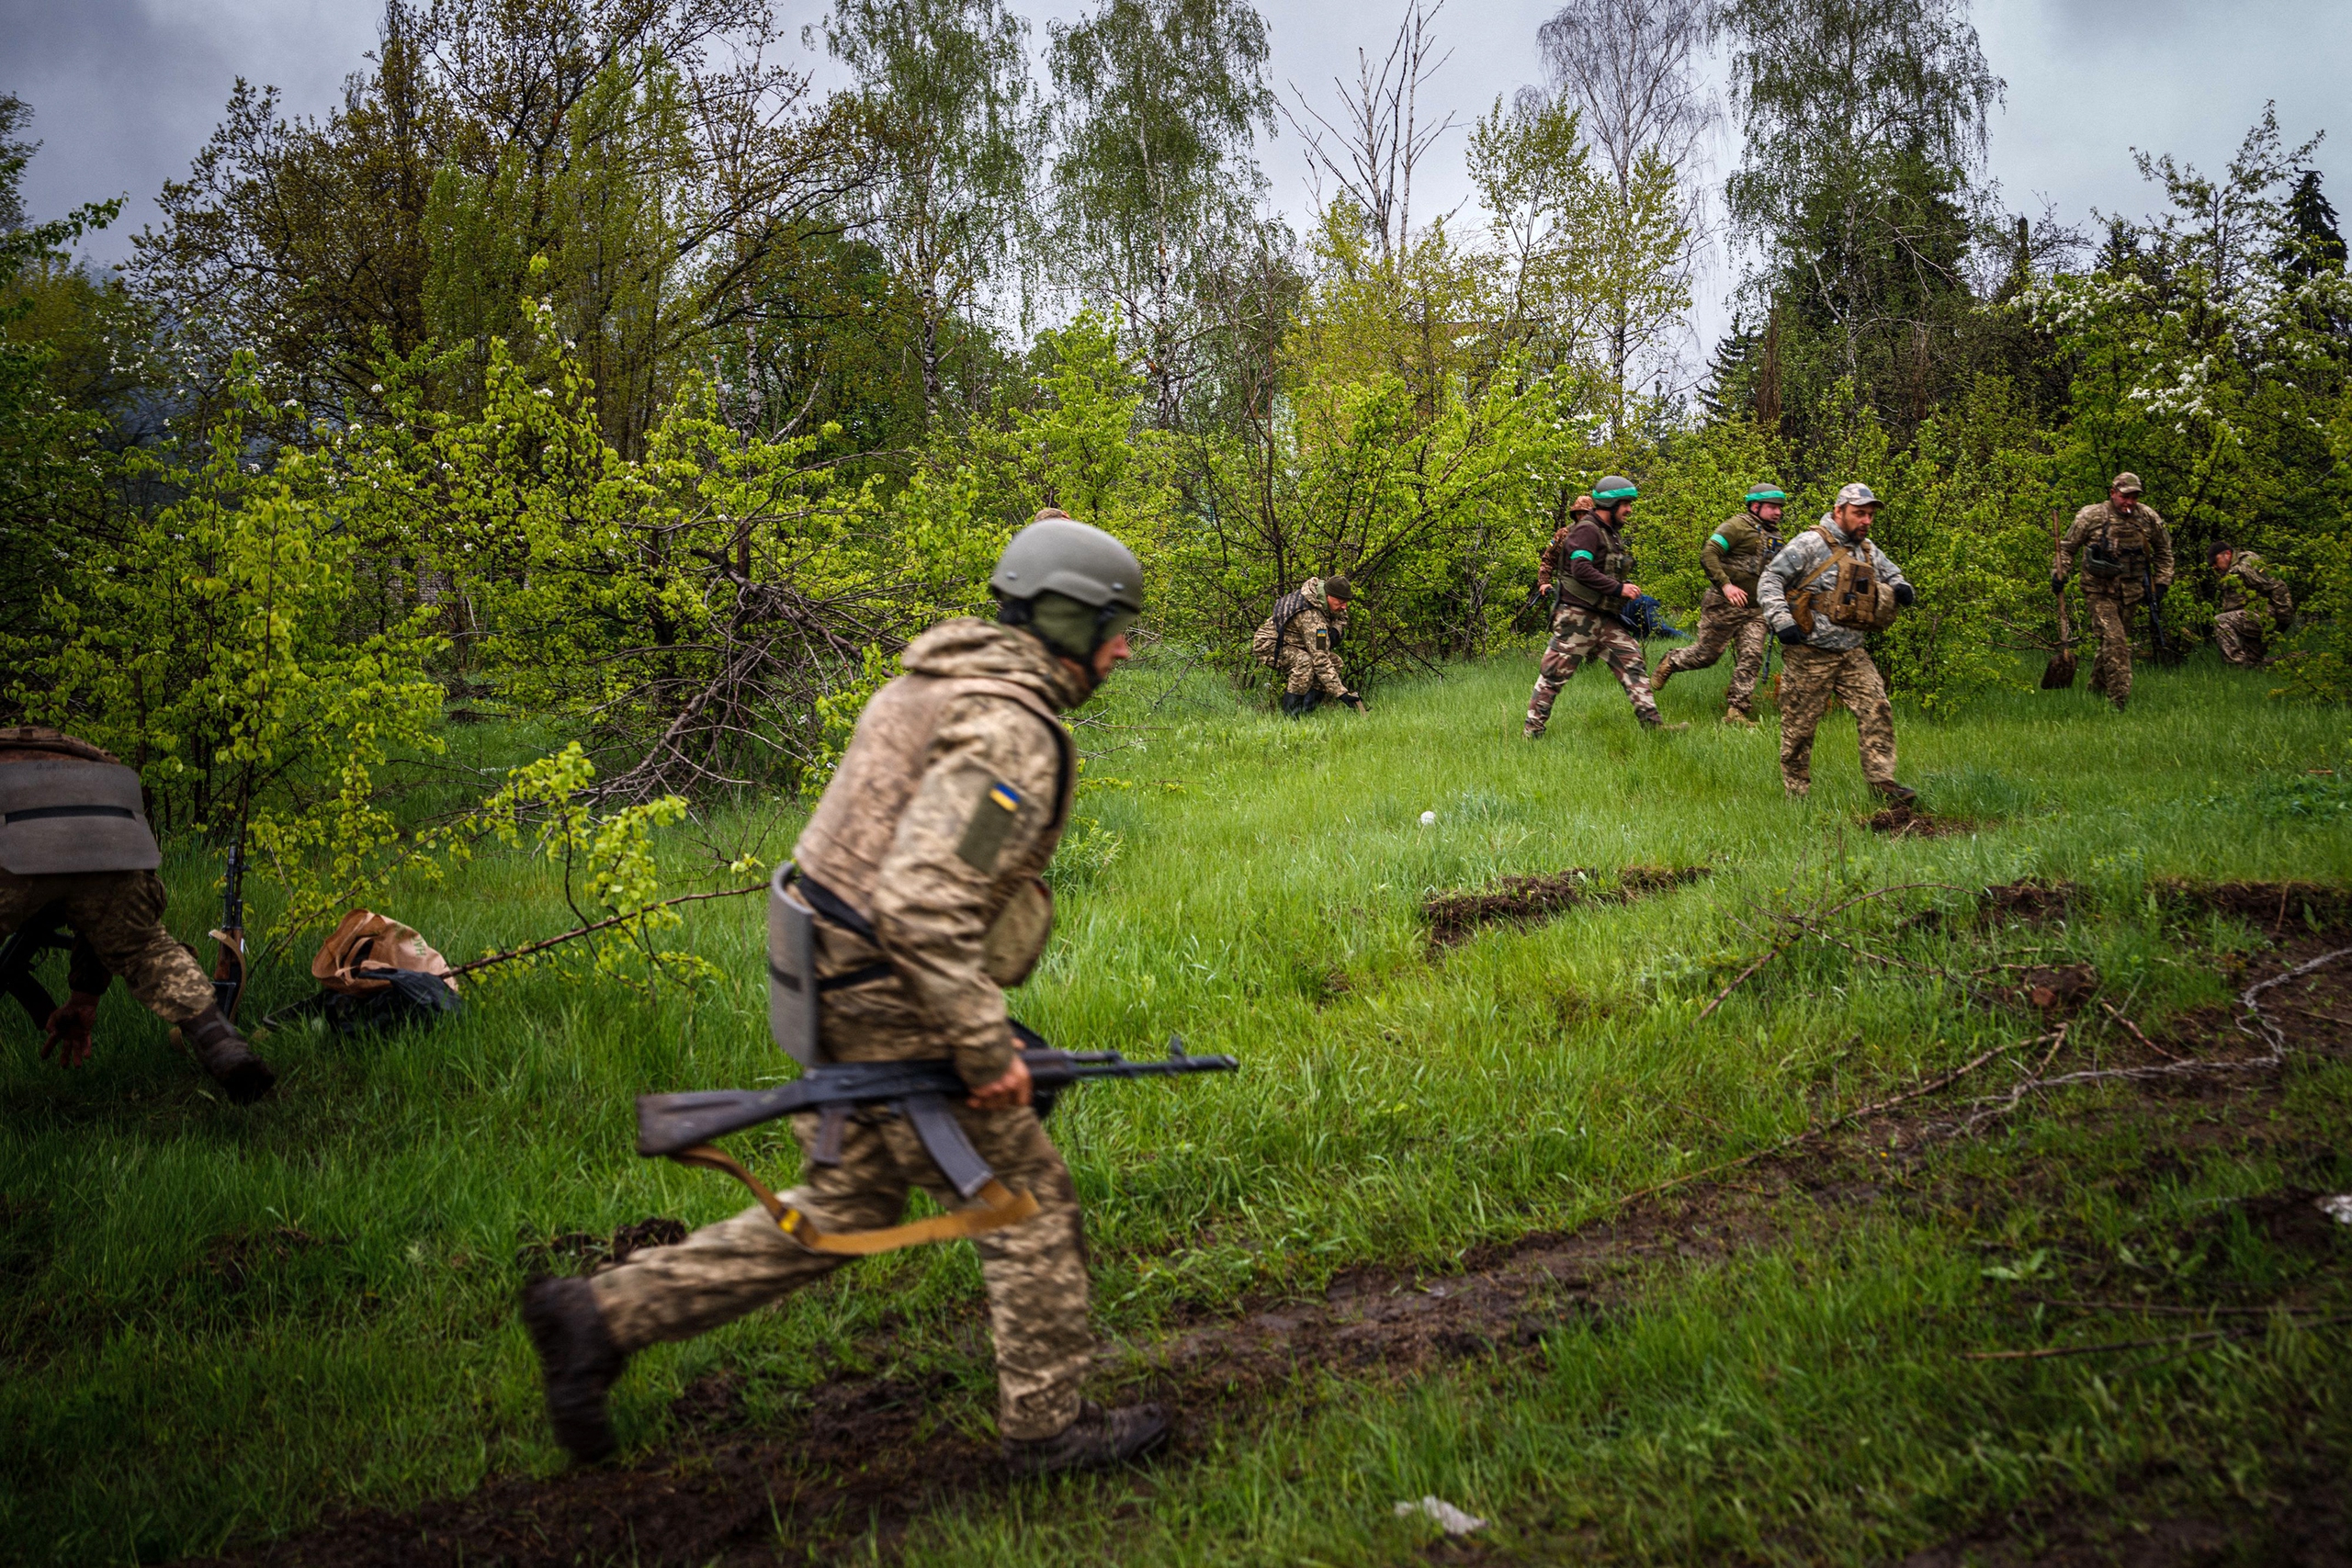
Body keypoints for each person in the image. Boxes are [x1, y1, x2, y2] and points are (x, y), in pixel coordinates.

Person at [522, 511, 1172, 1478]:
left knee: (850, 1204)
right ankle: (1047, 1428)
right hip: (889, 987)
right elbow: (922, 904)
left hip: (835, 980)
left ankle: (599, 1317)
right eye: (1112, 626)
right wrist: (987, 1052)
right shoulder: (1005, 731)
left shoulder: (937, 680)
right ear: (1064, 620)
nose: (1122, 650)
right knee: (1029, 1199)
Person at [0, 726, 274, 1101]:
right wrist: (84, 996)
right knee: (146, 950)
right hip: (106, 814)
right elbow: (100, 914)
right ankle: (222, 1043)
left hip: (11, 816)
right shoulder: (74, 754)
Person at [1758, 484, 1917, 803]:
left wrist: (1901, 587)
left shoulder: (1867, 549)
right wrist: (1782, 621)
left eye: (1870, 515)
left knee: (1877, 709)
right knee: (1799, 728)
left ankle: (1882, 782)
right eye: (1859, 513)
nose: (1866, 520)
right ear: (1838, 511)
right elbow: (1770, 579)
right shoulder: (1810, 543)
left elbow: (1893, 574)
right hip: (1809, 654)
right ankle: (1796, 793)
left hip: (1851, 652)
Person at [1523, 478, 1680, 736]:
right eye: (1626, 503)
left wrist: (1621, 585)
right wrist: (1619, 589)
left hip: (1604, 618)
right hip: (1576, 618)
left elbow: (1601, 569)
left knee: (1632, 663)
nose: (1629, 509)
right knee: (1553, 677)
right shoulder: (1587, 530)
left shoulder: (1609, 532)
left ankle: (1654, 728)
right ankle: (1532, 733)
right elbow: (1580, 568)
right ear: (1610, 503)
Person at [1652, 483, 1786, 726]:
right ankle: (1671, 661)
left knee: (1751, 657)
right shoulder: (1736, 526)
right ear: (1755, 506)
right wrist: (1726, 585)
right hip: (1724, 605)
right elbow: (1708, 554)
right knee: (1707, 655)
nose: (1778, 512)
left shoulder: (1775, 536)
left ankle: (1737, 711)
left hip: (1756, 610)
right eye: (1772, 507)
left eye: (1779, 508)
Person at [2052, 471, 2174, 711]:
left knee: (2110, 644)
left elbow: (2164, 551)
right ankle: (2118, 703)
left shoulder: (2148, 518)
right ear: (2113, 493)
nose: (2129, 502)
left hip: (2132, 593)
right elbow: (2067, 548)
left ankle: (2095, 690)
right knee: (2117, 642)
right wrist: (2059, 574)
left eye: (2134, 497)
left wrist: (2162, 583)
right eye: (2125, 496)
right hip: (2098, 592)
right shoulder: (2092, 516)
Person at [1253, 575, 1364, 716]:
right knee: (1304, 662)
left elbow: (1342, 615)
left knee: (1336, 662)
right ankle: (1291, 716)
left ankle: (1307, 711)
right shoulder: (1313, 619)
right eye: (1341, 601)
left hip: (1294, 641)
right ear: (1328, 596)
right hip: (1268, 644)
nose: (1344, 606)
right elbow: (1321, 661)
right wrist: (1342, 694)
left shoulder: (1324, 596)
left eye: (1346, 602)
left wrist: (1336, 629)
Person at [2209, 542, 2294, 668]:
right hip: (2250, 618)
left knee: (2220, 621)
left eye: (2215, 561)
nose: (2214, 567)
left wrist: (2283, 620)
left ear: (2227, 554)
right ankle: (2299, 660)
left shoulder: (2246, 565)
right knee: (2252, 664)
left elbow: (2277, 586)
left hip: (2262, 616)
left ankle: (2235, 667)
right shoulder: (2230, 570)